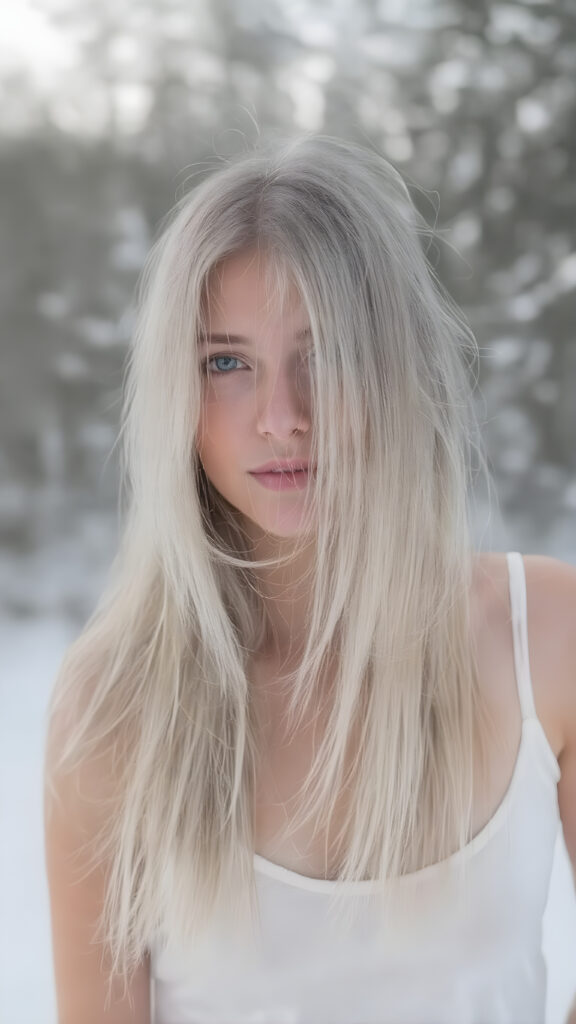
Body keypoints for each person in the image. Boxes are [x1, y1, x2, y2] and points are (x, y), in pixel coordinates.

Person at [43, 133, 576, 1024]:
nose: (282, 417)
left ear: (394, 366)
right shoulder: (115, 708)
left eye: (323, 351)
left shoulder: (546, 638)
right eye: (226, 364)